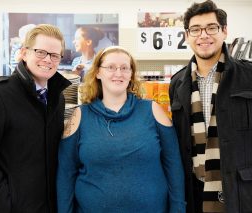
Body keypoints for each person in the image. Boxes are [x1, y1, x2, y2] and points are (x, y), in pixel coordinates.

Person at [168, 1, 252, 212]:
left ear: (224, 31)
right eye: (195, 29)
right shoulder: (178, 83)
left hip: (245, 196)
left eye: (211, 28)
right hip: (194, 197)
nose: (203, 35)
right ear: (187, 36)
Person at [57, 47, 185, 213]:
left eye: (125, 68)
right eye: (110, 67)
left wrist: (178, 209)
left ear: (131, 74)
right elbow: (65, 175)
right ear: (97, 73)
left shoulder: (153, 111)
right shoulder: (79, 116)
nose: (118, 73)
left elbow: (174, 167)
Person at [0, 24, 71, 213]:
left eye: (54, 55)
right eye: (40, 52)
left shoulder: (57, 98)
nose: (48, 60)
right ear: (24, 53)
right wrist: (3, 201)